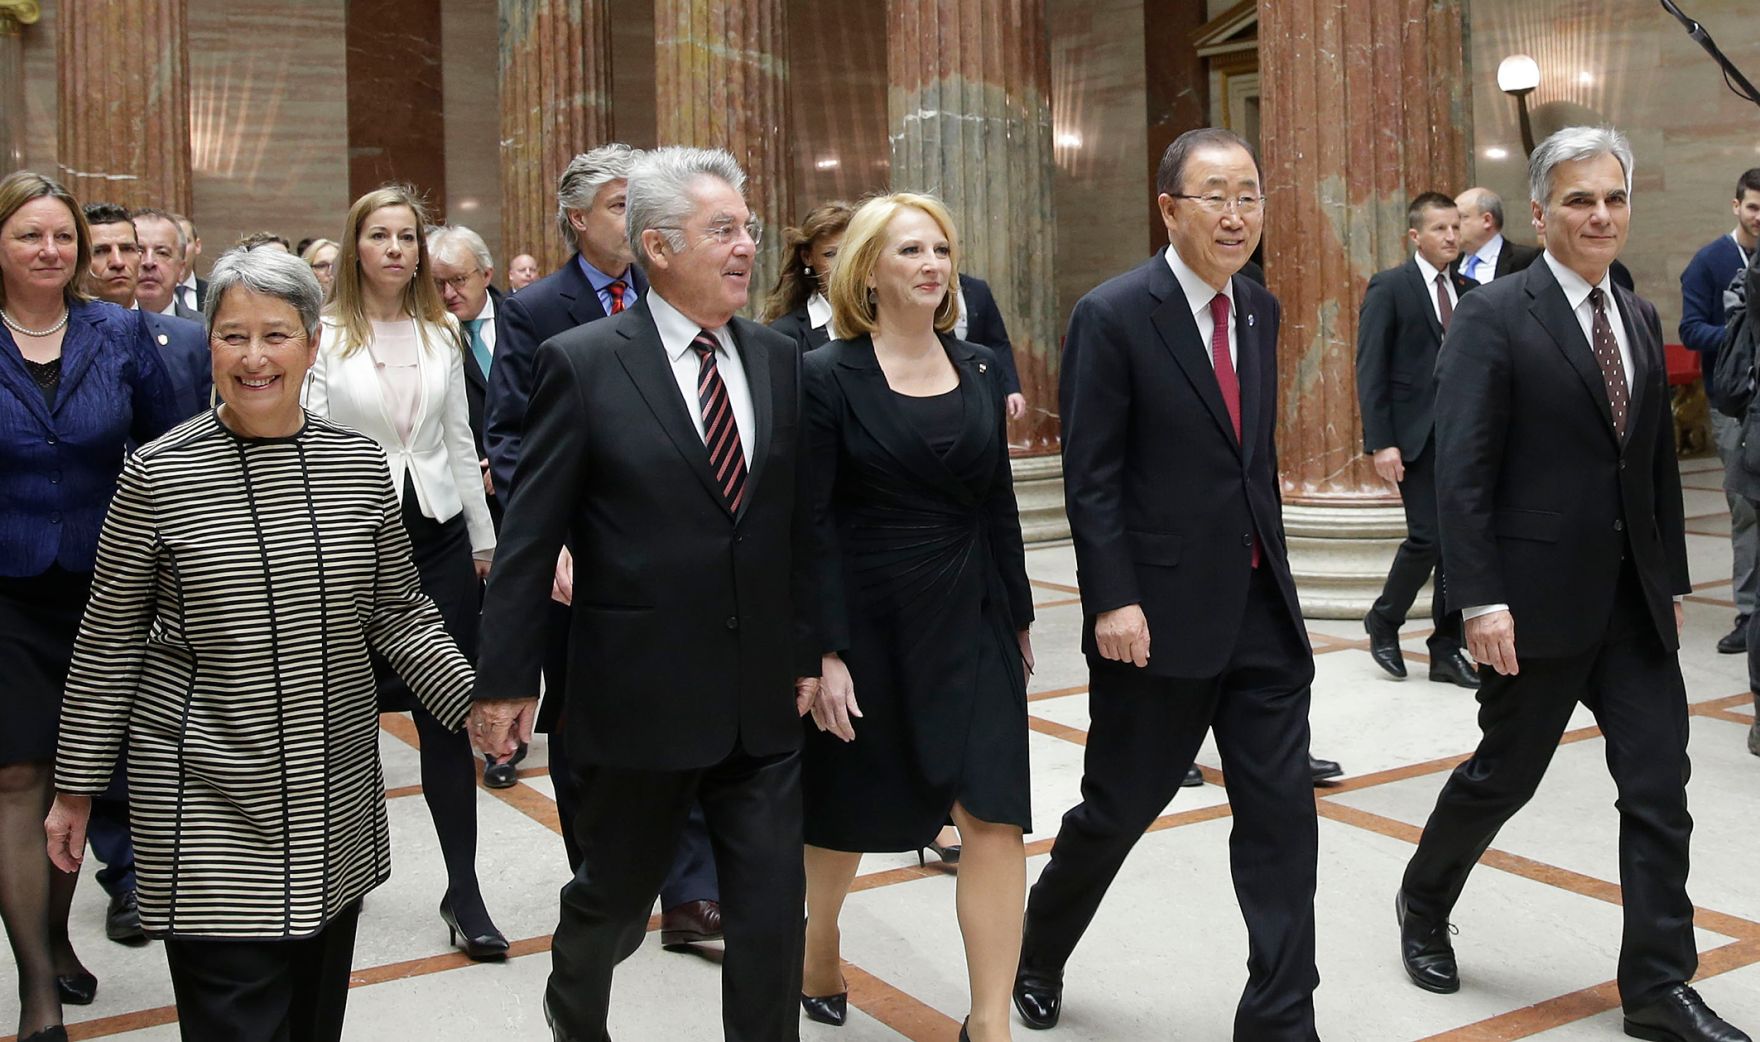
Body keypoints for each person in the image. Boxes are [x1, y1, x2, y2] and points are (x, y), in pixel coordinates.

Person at [45, 246, 477, 1042]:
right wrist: (74, 787)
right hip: (203, 796)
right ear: (207, 343)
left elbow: (400, 613)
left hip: (330, 795)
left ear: (313, 345)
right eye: (232, 335)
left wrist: (475, 706)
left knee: (313, 1022)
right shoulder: (156, 475)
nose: (253, 358)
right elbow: (107, 642)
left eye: (275, 335)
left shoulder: (354, 466)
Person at [1397, 126, 1750, 1042]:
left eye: (1616, 198)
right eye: (1582, 200)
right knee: (1501, 778)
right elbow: (1464, 473)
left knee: (1658, 787)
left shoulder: (1633, 312)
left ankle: (1659, 990)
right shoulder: (1492, 315)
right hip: (1533, 604)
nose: (1601, 215)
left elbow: (1653, 471)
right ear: (1544, 211)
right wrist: (1479, 600)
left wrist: (1665, 578)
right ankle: (1424, 899)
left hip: (1632, 607)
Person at [470, 145, 817, 1042]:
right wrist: (506, 680)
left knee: (774, 916)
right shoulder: (583, 362)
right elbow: (530, 536)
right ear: (656, 247)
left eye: (748, 228)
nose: (746, 246)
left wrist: (815, 647)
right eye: (722, 231)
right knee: (615, 904)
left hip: (758, 701)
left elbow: (798, 526)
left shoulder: (778, 359)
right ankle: (574, 1004)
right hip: (637, 696)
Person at [1013, 129, 1323, 1040]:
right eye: (1215, 196)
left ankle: (1280, 1018)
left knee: (1280, 821)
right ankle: (1037, 950)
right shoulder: (1113, 314)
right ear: (1169, 209)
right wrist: (1112, 597)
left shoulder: (1259, 309)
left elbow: (1250, 465)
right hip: (1154, 617)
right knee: (1117, 809)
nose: (1236, 216)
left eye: (1250, 196)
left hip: (1260, 610)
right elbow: (1093, 474)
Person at [797, 193, 1033, 1042]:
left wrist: (1018, 611)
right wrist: (823, 650)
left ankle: (990, 1022)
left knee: (994, 815)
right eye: (909, 251)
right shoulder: (825, 375)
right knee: (847, 813)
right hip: (870, 622)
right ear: (868, 269)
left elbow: (995, 498)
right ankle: (817, 942)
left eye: (941, 247)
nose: (932, 265)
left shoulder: (976, 367)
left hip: (971, 616)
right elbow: (812, 521)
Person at [483, 144, 724, 949]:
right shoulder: (534, 308)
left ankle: (691, 892)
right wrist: (547, 536)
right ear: (579, 219)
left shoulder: (683, 303)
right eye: (623, 202)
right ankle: (603, 875)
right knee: (588, 731)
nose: (638, 213)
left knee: (689, 715)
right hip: (579, 558)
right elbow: (512, 436)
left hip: (673, 559)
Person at [301, 184, 507, 961]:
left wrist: (485, 547)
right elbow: (307, 444)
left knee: (448, 718)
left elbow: (458, 440)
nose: (396, 249)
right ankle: (329, 885)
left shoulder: (440, 333)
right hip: (348, 544)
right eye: (380, 235)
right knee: (335, 722)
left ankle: (466, 890)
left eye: (407, 237)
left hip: (440, 538)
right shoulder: (322, 334)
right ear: (354, 247)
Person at [0, 170, 180, 1042]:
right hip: (3, 589)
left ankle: (55, 939)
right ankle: (39, 987)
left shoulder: (118, 330)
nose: (51, 251)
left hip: (105, 592)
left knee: (79, 776)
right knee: (17, 776)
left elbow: (169, 441)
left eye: (62, 237)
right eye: (31, 235)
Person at [1356, 192, 1481, 690]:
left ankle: (1446, 648)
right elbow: (1371, 369)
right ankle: (1385, 618)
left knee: (1459, 545)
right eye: (1439, 229)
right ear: (1415, 236)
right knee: (1428, 536)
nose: (1451, 236)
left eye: (1455, 227)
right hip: (1414, 436)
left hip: (1465, 435)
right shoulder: (1390, 287)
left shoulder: (1471, 290)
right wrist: (1381, 441)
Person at [428, 222, 520, 785]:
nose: (447, 294)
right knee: (476, 623)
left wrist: (509, 464)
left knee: (524, 617)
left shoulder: (523, 320)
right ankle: (493, 744)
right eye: (435, 282)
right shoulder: (428, 333)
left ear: (487, 274)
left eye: (458, 280)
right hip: (461, 501)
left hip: (524, 489)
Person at [1681, 168, 1760, 655]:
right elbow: (1690, 329)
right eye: (1753, 206)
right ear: (1736, 206)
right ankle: (1749, 614)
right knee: (1747, 511)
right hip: (1735, 407)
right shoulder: (1710, 261)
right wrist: (1742, 338)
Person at [83, 202, 211, 422]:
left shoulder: (193, 337)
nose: (117, 262)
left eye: (128, 249)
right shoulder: (58, 334)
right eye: (101, 251)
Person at [763, 199, 853, 351]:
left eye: (851, 252)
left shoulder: (882, 320)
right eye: (830, 254)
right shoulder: (785, 334)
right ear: (807, 257)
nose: (843, 264)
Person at [953, 274, 1029, 421]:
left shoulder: (978, 288)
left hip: (977, 390)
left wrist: (1012, 389)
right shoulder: (925, 290)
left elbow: (997, 342)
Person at [1452, 187, 1541, 285]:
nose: (1453, 225)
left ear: (1487, 220)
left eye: (1461, 217)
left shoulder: (1527, 260)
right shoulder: (1449, 263)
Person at [131, 208, 200, 321]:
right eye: (139, 251)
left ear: (181, 269)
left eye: (162, 253)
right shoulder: (99, 330)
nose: (149, 262)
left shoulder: (205, 332)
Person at [173, 213, 205, 312]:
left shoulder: (214, 294)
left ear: (197, 246)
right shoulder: (149, 295)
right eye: (173, 243)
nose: (180, 249)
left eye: (185, 242)